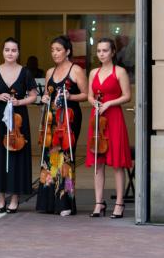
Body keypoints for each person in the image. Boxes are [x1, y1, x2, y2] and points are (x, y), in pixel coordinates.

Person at [0, 38, 38, 213]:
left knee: (17, 157)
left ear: (18, 53)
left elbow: (33, 96)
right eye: (7, 50)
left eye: (14, 50)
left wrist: (19, 101)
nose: (10, 53)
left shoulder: (26, 73)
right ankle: (0, 199)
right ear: (3, 52)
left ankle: (14, 198)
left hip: (18, 119)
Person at [36, 35, 88, 216]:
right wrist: (43, 98)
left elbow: (85, 94)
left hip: (69, 119)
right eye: (52, 50)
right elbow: (47, 94)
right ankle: (49, 202)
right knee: (49, 159)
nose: (54, 53)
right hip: (52, 119)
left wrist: (70, 97)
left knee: (65, 158)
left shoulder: (76, 70)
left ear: (67, 51)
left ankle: (66, 202)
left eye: (58, 50)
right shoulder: (50, 72)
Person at [86, 38, 132, 219]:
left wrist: (109, 103)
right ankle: (99, 202)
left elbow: (127, 96)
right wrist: (95, 103)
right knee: (98, 162)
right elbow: (89, 95)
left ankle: (119, 203)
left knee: (118, 163)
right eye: (98, 51)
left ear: (113, 52)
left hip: (113, 117)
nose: (101, 54)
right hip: (97, 117)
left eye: (105, 50)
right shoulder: (93, 72)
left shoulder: (119, 71)